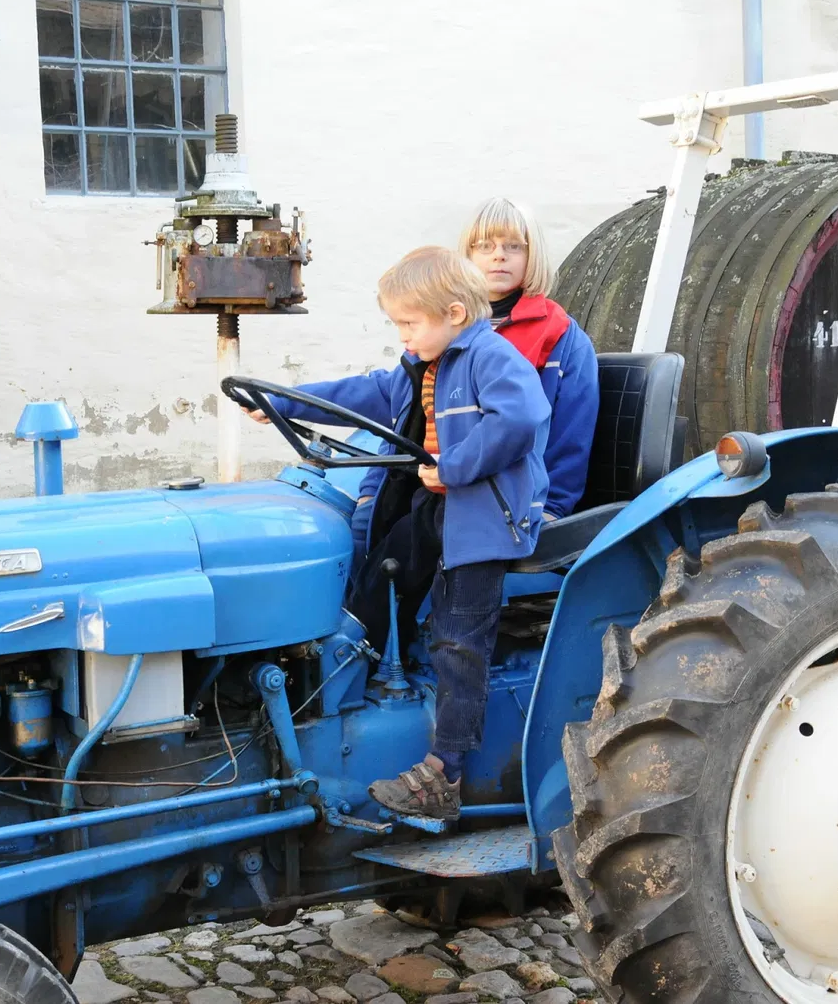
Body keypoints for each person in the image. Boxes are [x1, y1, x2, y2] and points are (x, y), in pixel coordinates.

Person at [249, 246, 550, 820]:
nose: (403, 336)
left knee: (458, 641)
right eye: (398, 325)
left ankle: (444, 774)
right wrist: (288, 400)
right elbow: (364, 395)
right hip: (440, 509)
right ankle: (337, 694)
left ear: (455, 314)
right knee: (378, 575)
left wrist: (456, 466)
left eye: (409, 324)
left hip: (485, 522)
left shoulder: (491, 356)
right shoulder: (424, 365)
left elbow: (520, 418)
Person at [348, 198, 597, 559]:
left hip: (498, 498)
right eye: (485, 246)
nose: (499, 256)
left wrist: (552, 507)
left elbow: (570, 434)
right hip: (430, 484)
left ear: (533, 255)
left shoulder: (561, 337)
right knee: (362, 531)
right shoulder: (439, 324)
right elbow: (407, 414)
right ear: (465, 257)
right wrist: (373, 487)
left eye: (514, 246)